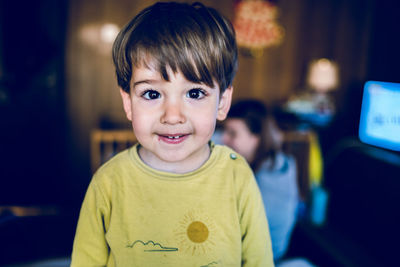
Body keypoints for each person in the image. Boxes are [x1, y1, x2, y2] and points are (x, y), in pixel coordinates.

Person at [71, 2, 273, 266]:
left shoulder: (237, 177)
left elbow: (259, 261)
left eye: (195, 93)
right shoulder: (108, 182)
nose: (173, 115)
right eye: (152, 94)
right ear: (128, 103)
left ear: (222, 102)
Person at [222, 99, 299, 262]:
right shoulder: (279, 160)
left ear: (256, 137)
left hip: (265, 256)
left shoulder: (270, 178)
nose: (224, 139)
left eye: (232, 133)